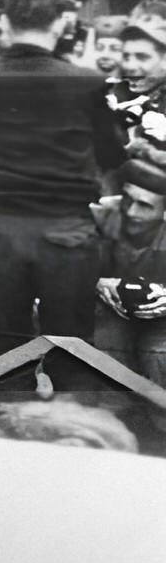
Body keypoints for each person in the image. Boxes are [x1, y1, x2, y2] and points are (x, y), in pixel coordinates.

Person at [0, 0, 128, 386]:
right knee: (72, 352)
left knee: (5, 353)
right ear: (60, 24)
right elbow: (112, 155)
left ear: (5, 21)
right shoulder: (87, 82)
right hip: (65, 231)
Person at [92, 157, 166, 389]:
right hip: (109, 311)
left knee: (158, 353)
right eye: (128, 199)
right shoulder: (101, 213)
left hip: (162, 321)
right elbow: (57, 266)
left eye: (145, 206)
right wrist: (98, 282)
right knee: (102, 346)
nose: (131, 211)